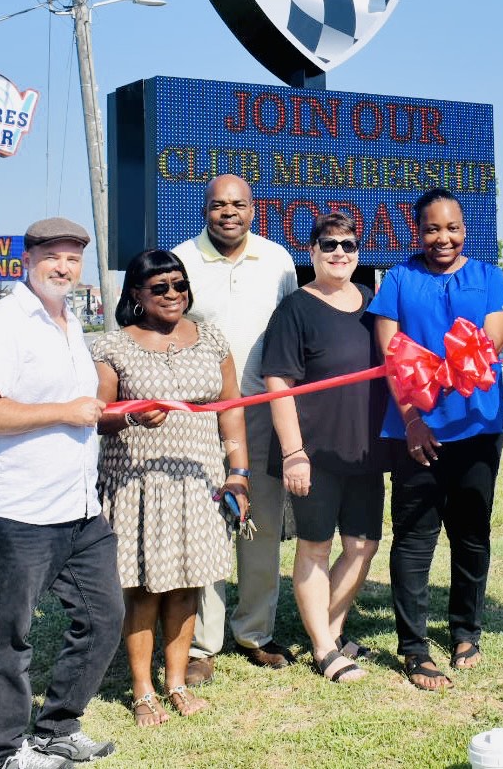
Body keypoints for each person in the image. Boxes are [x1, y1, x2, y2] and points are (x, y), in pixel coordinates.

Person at [0, 217, 123, 769]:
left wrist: (115, 416)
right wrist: (66, 411)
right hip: (18, 509)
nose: (64, 267)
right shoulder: (1, 324)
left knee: (103, 618)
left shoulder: (70, 322)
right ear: (26, 260)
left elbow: (80, 411)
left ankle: (58, 729)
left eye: (73, 258)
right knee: (10, 636)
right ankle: (9, 751)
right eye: (53, 256)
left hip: (78, 506)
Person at [93, 250, 250, 723]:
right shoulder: (112, 347)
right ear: (137, 294)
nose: (173, 295)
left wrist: (238, 472)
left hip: (197, 481)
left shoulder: (212, 339)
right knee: (143, 590)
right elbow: (95, 418)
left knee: (186, 587)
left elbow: (232, 408)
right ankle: (142, 690)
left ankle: (176, 681)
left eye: (179, 285)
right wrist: (129, 415)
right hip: (140, 485)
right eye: (159, 288)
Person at [369, 187, 503, 690]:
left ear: (464, 229)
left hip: (478, 425)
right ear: (418, 231)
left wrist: (461, 365)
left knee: (472, 533)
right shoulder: (399, 279)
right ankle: (413, 647)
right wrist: (412, 420)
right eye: (431, 228)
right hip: (417, 431)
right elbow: (391, 354)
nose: (442, 237)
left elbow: (494, 336)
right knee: (414, 537)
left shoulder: (488, 276)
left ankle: (466, 631)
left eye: (451, 227)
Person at [172, 175, 298, 684]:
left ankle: (256, 632)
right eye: (219, 204)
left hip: (264, 413)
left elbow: (290, 330)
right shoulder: (182, 259)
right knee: (207, 528)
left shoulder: (278, 260)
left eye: (238, 204)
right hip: (201, 416)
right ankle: (203, 643)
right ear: (205, 209)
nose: (229, 212)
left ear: (254, 208)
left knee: (261, 526)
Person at [262, 212, 388, 682]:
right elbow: (278, 381)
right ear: (311, 251)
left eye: (349, 245)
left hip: (365, 451)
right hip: (312, 455)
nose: (340, 252)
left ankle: (330, 634)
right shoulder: (296, 308)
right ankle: (323, 648)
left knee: (362, 545)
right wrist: (294, 452)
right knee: (315, 547)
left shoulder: (374, 304)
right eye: (329, 244)